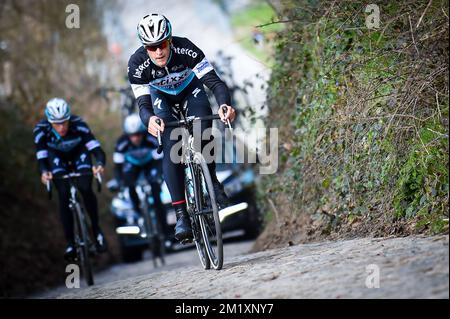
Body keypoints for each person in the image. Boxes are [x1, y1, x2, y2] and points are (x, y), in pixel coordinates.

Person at [127, 14, 236, 242]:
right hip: (161, 99)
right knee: (171, 147)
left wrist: (225, 104)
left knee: (202, 126)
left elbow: (214, 82)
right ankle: (181, 216)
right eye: (152, 47)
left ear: (170, 40)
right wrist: (149, 120)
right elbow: (144, 104)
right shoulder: (137, 64)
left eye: (162, 44)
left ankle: (212, 180)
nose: (158, 52)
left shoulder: (187, 48)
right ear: (145, 47)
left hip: (190, 90)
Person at [33, 98, 107, 260]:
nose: (61, 127)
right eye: (56, 123)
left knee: (86, 188)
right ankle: (70, 243)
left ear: (69, 118)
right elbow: (41, 157)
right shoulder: (41, 130)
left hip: (79, 155)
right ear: (49, 121)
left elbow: (96, 149)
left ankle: (96, 230)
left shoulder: (79, 124)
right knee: (64, 194)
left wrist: (100, 164)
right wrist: (45, 172)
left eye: (64, 122)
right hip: (56, 158)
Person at [112, 113, 168, 235]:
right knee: (129, 185)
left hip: (150, 164)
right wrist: (120, 182)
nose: (135, 138)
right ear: (127, 135)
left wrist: (159, 176)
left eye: (138, 134)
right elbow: (118, 167)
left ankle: (165, 231)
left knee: (156, 191)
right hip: (133, 166)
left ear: (142, 132)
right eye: (132, 136)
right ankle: (139, 213)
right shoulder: (121, 144)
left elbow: (160, 161)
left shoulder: (151, 139)